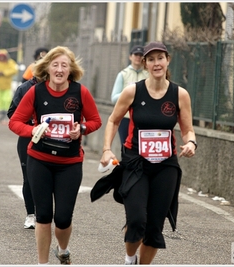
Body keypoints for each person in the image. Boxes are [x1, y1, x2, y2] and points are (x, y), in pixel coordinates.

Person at [94, 41, 197, 264]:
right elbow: (113, 120)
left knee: (154, 226)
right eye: (151, 59)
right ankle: (130, 258)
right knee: (137, 221)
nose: (156, 63)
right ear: (145, 64)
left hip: (165, 165)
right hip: (136, 163)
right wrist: (106, 149)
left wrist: (191, 143)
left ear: (168, 60)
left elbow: (188, 129)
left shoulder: (180, 94)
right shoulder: (133, 90)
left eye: (160, 58)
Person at [9, 46, 102, 265]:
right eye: (55, 64)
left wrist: (82, 129)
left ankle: (63, 249)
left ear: (70, 70)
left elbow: (96, 120)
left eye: (64, 65)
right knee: (43, 216)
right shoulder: (36, 91)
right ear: (47, 67)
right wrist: (32, 130)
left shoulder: (80, 93)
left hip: (69, 163)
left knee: (62, 218)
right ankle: (42, 263)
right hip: (39, 161)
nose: (59, 69)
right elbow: (15, 122)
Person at [7, 49, 47, 229]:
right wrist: (30, 125)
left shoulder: (56, 89)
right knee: (28, 178)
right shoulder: (24, 89)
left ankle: (43, 214)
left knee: (45, 179)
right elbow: (11, 113)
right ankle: (30, 215)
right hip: (27, 138)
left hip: (49, 140)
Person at [110, 45, 148, 150]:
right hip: (126, 117)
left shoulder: (148, 75)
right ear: (130, 57)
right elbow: (114, 97)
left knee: (142, 147)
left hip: (143, 117)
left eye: (141, 55)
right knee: (126, 145)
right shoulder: (123, 74)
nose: (138, 57)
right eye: (136, 54)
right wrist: (129, 95)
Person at [0, 49, 18, 124]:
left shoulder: (10, 62)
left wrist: (4, 73)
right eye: (0, 56)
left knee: (7, 100)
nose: (2, 58)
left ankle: (6, 115)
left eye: (3, 56)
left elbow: (14, 70)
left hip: (7, 86)